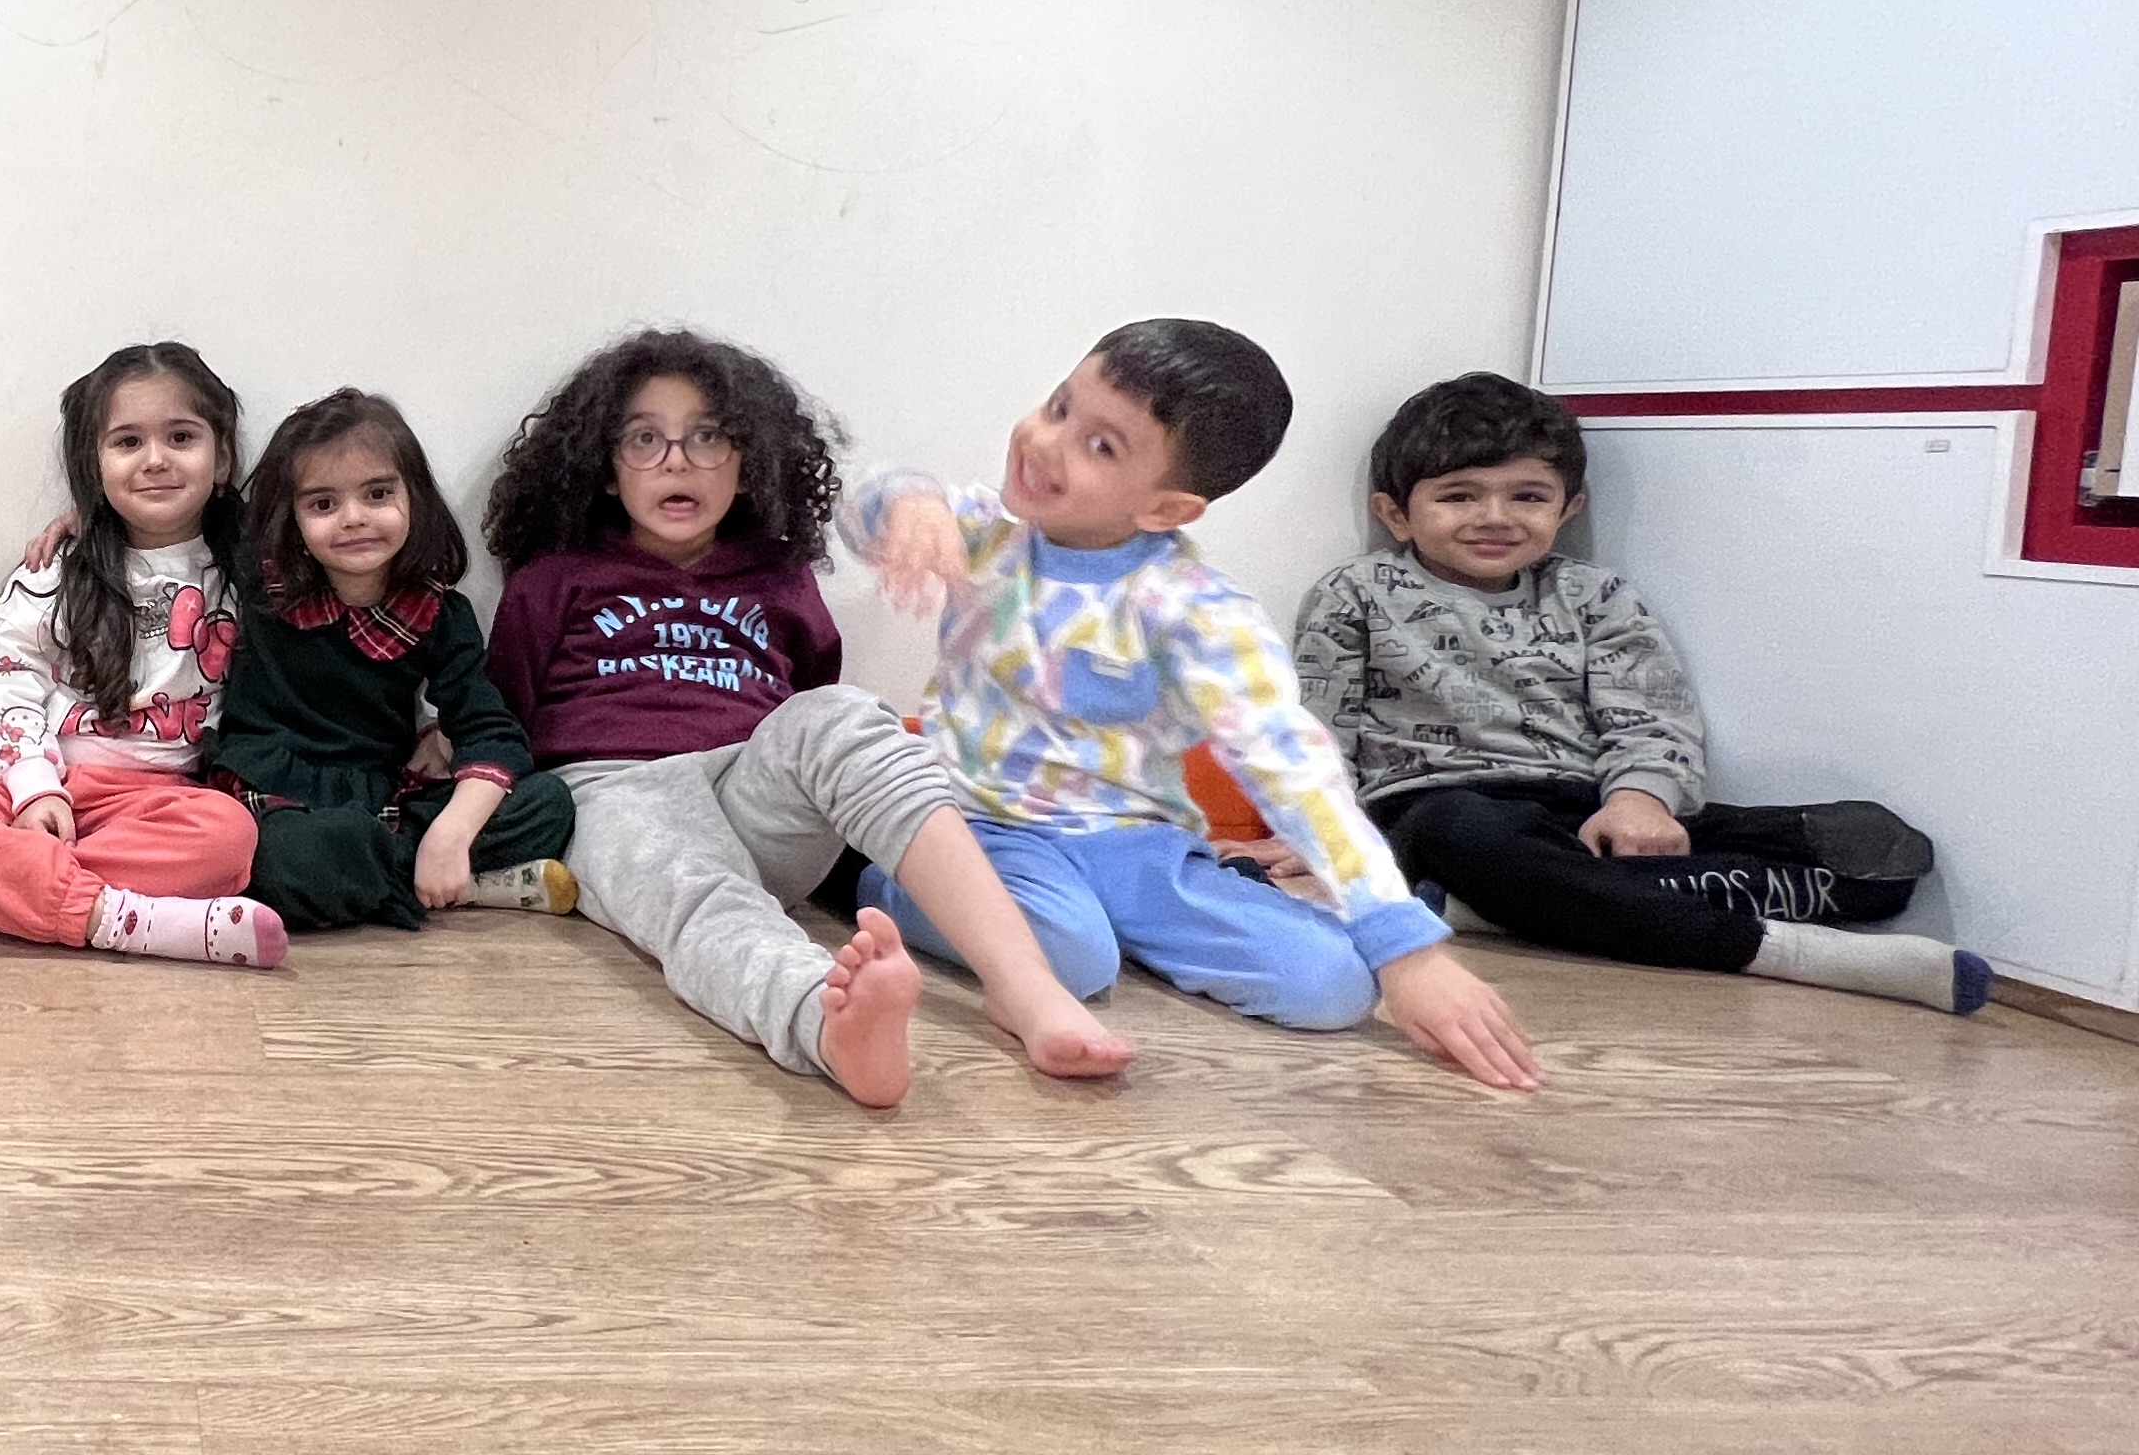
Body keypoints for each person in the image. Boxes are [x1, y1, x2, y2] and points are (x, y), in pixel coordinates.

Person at [841, 318, 1544, 1091]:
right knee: (1071, 958)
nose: (1047, 442)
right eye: (1059, 406)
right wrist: (908, 503)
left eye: (1100, 445)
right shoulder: (983, 532)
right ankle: (880, 880)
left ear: (1167, 510)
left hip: (1143, 851)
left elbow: (1291, 763)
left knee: (1337, 985)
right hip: (983, 829)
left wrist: (1403, 946)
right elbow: (862, 501)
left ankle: (1112, 927)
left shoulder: (1197, 610)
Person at [484, 330, 1134, 1105]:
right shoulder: (557, 577)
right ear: (604, 464)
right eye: (644, 439)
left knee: (843, 713)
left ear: (749, 460)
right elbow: (505, 710)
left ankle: (1025, 987)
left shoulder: (779, 578)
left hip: (755, 790)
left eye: (708, 437)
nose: (677, 461)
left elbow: (811, 700)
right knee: (697, 889)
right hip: (618, 789)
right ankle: (824, 1024)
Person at [1294, 370, 1986, 1013]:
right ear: (1396, 514)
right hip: (1438, 810)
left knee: (1879, 857)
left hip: (1588, 810)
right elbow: (1317, 730)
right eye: (1459, 496)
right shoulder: (1357, 591)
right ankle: (1780, 948)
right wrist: (1319, 833)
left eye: (1528, 496)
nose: (1496, 516)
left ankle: (1497, 908)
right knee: (1467, 835)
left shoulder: (1594, 594)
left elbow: (1651, 714)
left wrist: (1639, 800)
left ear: (1569, 508)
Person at [0, 341, 280, 968]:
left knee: (229, 839)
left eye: (181, 437)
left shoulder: (245, 573)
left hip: (154, 798)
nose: (155, 460)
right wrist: (34, 787)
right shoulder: (58, 568)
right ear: (94, 464)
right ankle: (121, 920)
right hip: (23, 781)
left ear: (221, 457)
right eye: (127, 442)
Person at [202, 387, 578, 933]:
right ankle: (447, 885)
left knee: (548, 803)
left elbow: (492, 732)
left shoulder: (439, 612)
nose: (354, 518)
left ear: (414, 497)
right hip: (278, 791)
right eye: (323, 504)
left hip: (382, 793)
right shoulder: (261, 583)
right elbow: (180, 509)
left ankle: (407, 874)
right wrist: (82, 521)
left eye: (377, 494)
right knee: (292, 859)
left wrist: (451, 832)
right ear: (292, 519)